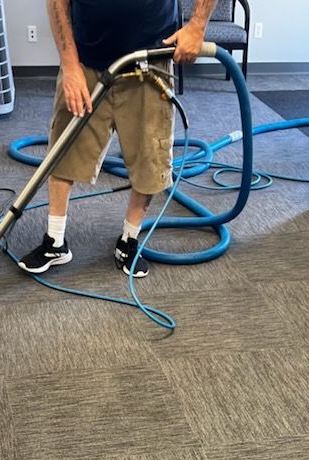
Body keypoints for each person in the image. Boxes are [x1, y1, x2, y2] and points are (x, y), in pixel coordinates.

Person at [19, 0, 217, 278]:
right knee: (64, 150)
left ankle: (129, 240)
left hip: (150, 62)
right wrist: (70, 65)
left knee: (150, 158)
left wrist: (197, 26)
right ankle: (55, 241)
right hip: (86, 61)